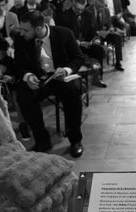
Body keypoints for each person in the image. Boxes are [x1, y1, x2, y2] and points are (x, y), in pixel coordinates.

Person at [14, 11, 86, 156]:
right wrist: (28, 76)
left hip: (60, 78)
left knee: (73, 94)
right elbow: (18, 66)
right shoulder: (21, 40)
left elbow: (78, 58)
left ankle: (75, 140)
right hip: (39, 79)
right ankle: (42, 140)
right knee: (24, 96)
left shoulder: (64, 33)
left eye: (26, 30)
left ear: (39, 27)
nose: (22, 33)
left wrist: (66, 70)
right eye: (21, 29)